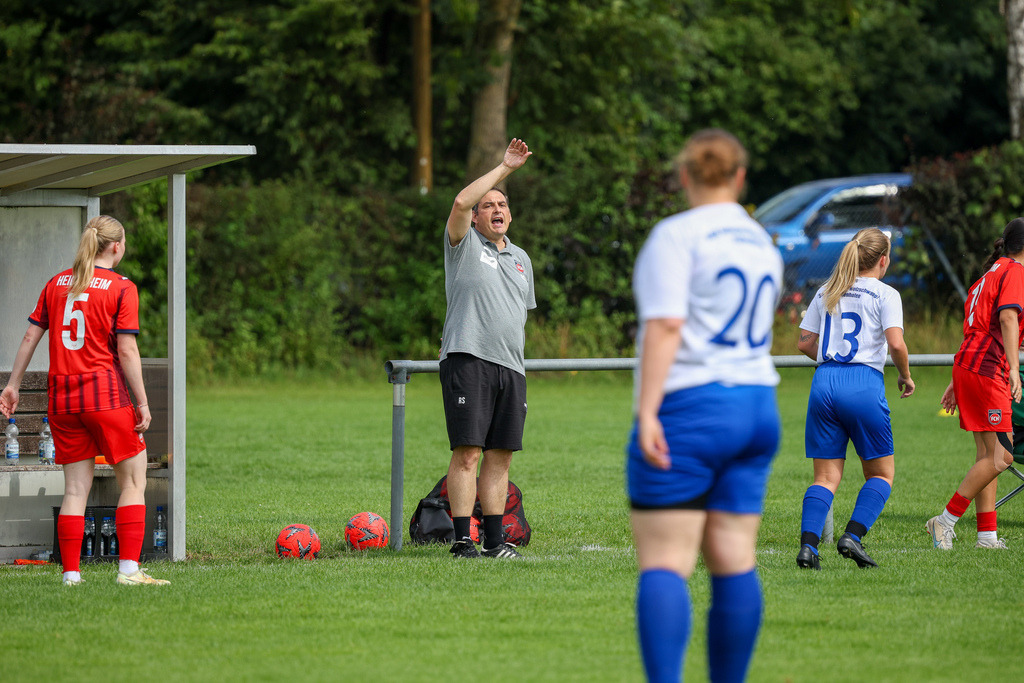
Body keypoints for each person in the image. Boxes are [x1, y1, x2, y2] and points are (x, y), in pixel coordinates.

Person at [627, 129, 782, 682]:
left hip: (693, 408)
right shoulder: (760, 240)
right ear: (740, 178)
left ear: (685, 177)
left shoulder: (676, 235)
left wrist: (647, 412)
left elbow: (667, 325)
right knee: (735, 557)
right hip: (757, 406)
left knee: (667, 562)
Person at [1, 215, 169, 586]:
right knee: (133, 482)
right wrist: (142, 403)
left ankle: (72, 575)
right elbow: (126, 350)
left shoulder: (57, 283)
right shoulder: (122, 287)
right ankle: (128, 570)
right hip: (105, 397)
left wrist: (12, 385)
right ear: (117, 246)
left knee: (75, 489)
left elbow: (30, 337)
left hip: (62, 401)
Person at [794, 228, 915, 571]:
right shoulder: (885, 294)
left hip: (825, 381)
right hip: (863, 383)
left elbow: (805, 342)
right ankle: (852, 537)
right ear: (883, 260)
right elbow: (896, 344)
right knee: (881, 474)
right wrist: (905, 375)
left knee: (825, 478)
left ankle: (808, 548)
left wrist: (833, 358)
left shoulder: (827, 290)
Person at [439, 138, 535, 559]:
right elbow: (460, 201)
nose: (497, 210)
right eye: (489, 205)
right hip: (468, 359)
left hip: (511, 369)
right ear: (476, 217)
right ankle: (463, 540)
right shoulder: (463, 247)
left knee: (500, 457)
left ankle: (495, 542)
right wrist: (505, 168)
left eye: (503, 205)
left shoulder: (521, 259)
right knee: (468, 453)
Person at [926, 218, 1024, 550]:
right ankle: (945, 521)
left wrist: (958, 380)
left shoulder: (988, 274)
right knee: (1003, 457)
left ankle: (987, 536)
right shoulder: (1014, 271)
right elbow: (1007, 318)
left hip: (969, 364)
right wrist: (1013, 369)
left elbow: (977, 328)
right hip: (987, 368)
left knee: (987, 454)